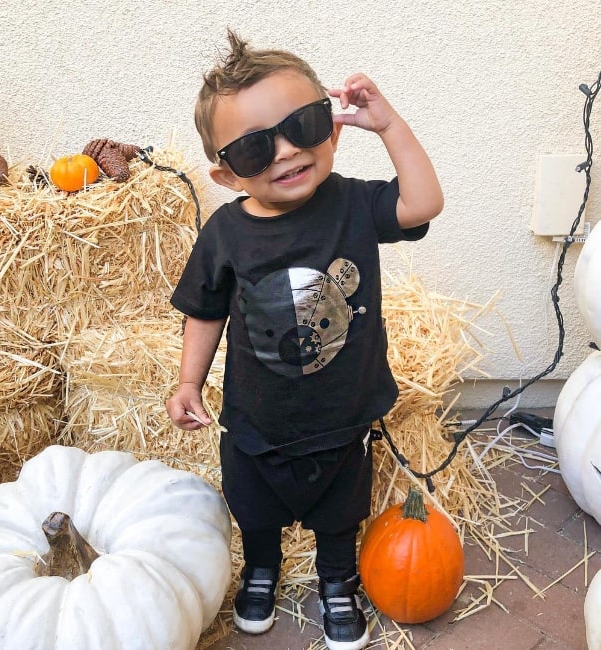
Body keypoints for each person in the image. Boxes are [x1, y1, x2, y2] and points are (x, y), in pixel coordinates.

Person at [165, 29, 443, 650]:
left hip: (343, 415)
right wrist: (189, 380)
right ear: (226, 173)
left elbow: (423, 203)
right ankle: (261, 569)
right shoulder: (225, 233)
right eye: (256, 147)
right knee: (254, 506)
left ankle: (337, 582)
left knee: (342, 512)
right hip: (257, 418)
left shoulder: (351, 205)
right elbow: (205, 311)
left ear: (334, 127)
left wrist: (389, 124)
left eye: (305, 124)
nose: (287, 151)